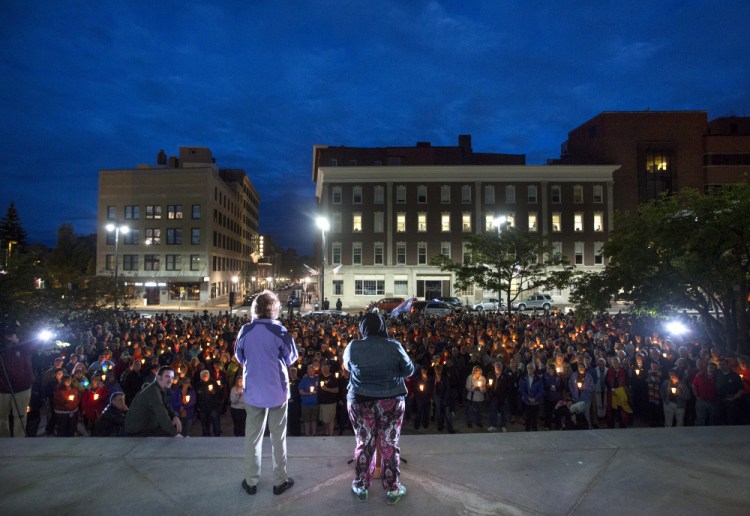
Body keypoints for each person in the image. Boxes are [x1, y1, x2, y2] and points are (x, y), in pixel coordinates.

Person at [343, 312, 414, 505]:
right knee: (389, 443)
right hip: (390, 400)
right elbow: (409, 370)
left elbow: (347, 367)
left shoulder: (353, 346)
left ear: (363, 328)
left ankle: (361, 486)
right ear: (383, 327)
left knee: (364, 442)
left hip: (360, 400)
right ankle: (392, 489)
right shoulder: (394, 346)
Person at [235, 290, 298, 497]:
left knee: (252, 437)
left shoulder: (245, 330)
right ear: (274, 308)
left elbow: (239, 357)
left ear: (255, 308)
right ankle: (280, 481)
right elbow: (291, 358)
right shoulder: (279, 331)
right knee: (278, 438)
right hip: (277, 392)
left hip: (253, 391)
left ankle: (251, 481)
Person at [123, 367, 182, 437]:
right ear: (158, 377)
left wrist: (174, 416)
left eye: (172, 378)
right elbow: (161, 414)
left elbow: (166, 406)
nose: (170, 380)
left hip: (146, 428)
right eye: (167, 377)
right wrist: (175, 434)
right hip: (137, 432)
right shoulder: (153, 391)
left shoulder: (161, 390)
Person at [0, 318, 35, 437]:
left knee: (20, 416)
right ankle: (4, 440)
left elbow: (33, 345)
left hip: (22, 386)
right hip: (2, 388)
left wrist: (17, 341)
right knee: (1, 417)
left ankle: (19, 442)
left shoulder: (23, 344)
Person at [519, 363, 543, 431]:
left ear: (534, 369)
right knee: (527, 418)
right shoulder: (523, 378)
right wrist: (527, 398)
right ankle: (527, 431)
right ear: (526, 369)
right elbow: (522, 389)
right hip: (527, 402)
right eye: (528, 368)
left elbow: (540, 390)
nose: (530, 369)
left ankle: (535, 431)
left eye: (531, 368)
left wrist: (535, 398)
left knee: (535, 418)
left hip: (535, 402)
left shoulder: (538, 379)